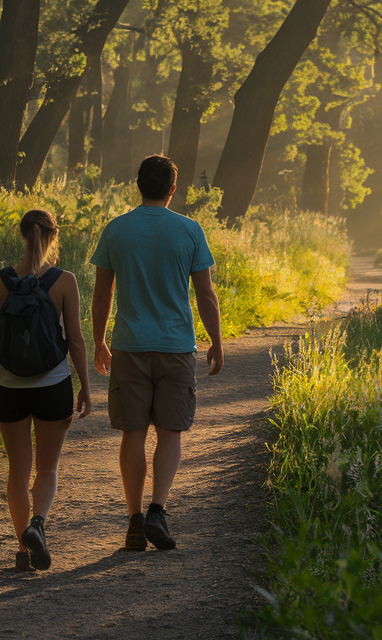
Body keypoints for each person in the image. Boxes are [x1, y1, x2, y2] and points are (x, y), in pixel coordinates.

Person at [91, 154, 223, 552]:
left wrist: (99, 340)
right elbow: (205, 293)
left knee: (133, 434)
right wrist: (216, 340)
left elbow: (102, 294)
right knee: (170, 433)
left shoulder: (116, 230)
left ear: (138, 185)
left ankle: (133, 521)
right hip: (176, 346)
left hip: (129, 346)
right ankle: (157, 511)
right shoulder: (189, 230)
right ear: (172, 188)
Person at [0, 208, 92, 571]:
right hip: (53, 384)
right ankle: (38, 525)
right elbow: (75, 341)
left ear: (22, 235)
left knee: (17, 469)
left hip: (8, 385)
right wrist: (85, 387)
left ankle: (23, 550)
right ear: (52, 237)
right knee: (47, 468)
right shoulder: (65, 281)